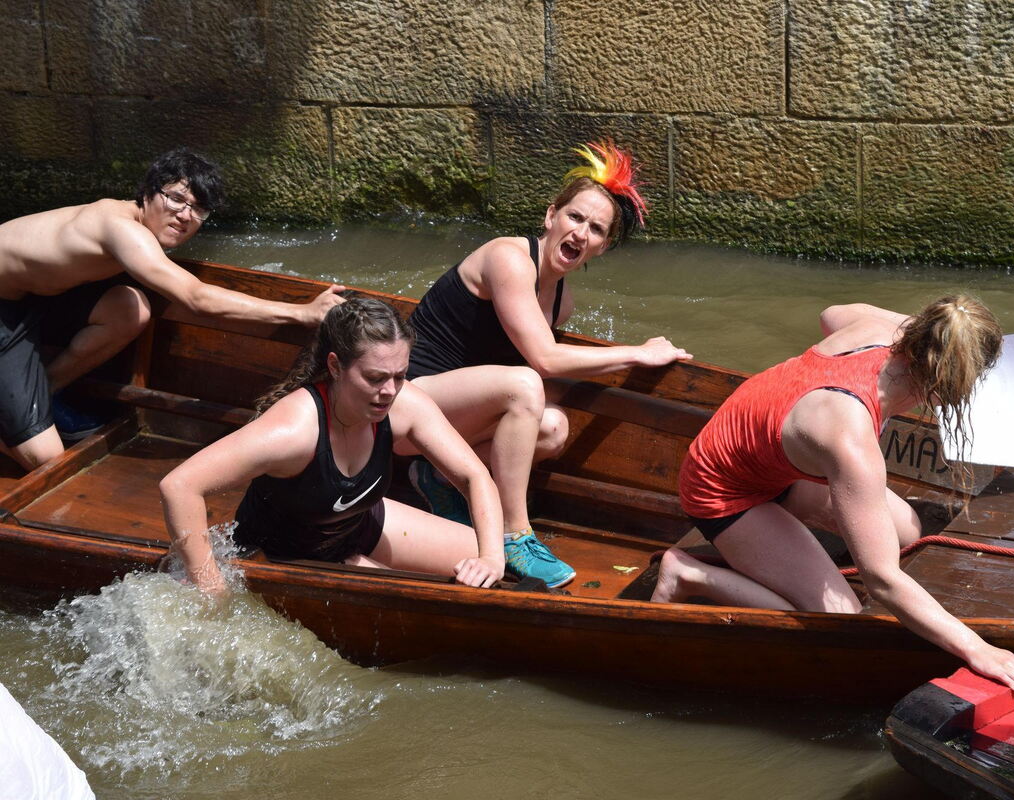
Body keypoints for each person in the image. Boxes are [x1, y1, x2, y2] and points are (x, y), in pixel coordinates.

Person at [651, 295, 1014, 701]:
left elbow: (830, 313)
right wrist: (979, 649)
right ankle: (690, 575)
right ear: (944, 382)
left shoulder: (881, 330)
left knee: (908, 531)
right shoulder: (849, 439)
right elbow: (882, 580)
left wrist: (939, 330)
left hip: (774, 462)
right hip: (723, 488)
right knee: (842, 618)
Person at [401, 141, 692, 588]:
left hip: (450, 418)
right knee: (525, 385)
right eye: (575, 217)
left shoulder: (561, 301)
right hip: (404, 406)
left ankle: (437, 476)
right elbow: (543, 360)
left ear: (602, 247)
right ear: (550, 216)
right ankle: (514, 534)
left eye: (595, 229)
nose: (580, 233)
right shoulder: (508, 258)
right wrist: (637, 352)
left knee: (553, 426)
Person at [0, 148, 343, 473]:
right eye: (176, 198)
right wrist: (302, 313)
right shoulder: (120, 228)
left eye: (198, 209)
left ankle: (44, 393)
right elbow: (195, 298)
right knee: (45, 457)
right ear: (148, 192)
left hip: (30, 298)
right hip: (6, 309)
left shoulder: (133, 228)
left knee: (129, 308)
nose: (185, 215)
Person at [159, 296, 505, 598]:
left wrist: (490, 558)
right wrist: (210, 586)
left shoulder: (404, 405)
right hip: (285, 554)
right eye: (375, 378)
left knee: (500, 570)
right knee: (416, 607)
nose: (390, 391)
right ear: (335, 366)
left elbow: (474, 476)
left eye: (399, 375)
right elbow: (180, 486)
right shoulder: (292, 431)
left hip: (356, 524)